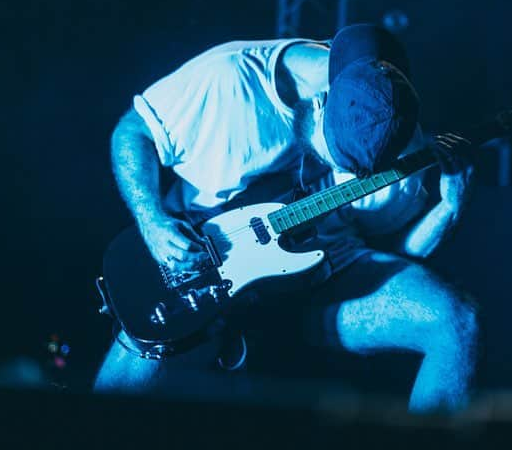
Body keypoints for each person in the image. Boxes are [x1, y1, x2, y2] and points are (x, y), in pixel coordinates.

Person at [94, 24, 478, 412]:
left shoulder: (392, 131)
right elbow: (133, 131)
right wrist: (152, 220)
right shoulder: (228, 82)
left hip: (326, 270)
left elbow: (393, 248)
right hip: (212, 269)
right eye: (332, 157)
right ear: (318, 102)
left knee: (455, 323)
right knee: (111, 403)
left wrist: (449, 208)